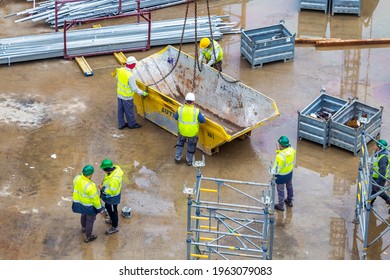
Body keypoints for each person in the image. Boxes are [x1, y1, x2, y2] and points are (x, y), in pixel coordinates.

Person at [72, 165, 104, 243]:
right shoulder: (90, 186)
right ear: (90, 174)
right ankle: (88, 237)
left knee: (83, 215)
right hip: (89, 207)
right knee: (90, 221)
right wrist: (100, 209)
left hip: (80, 203)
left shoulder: (77, 178)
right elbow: (95, 200)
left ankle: (83, 228)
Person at [115, 56, 148, 130]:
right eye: (135, 64)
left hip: (120, 95)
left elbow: (117, 78)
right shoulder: (130, 75)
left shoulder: (120, 70)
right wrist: (143, 93)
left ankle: (121, 124)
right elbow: (134, 88)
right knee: (129, 111)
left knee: (120, 110)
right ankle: (132, 124)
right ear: (132, 65)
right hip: (127, 97)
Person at [174, 92, 206, 166]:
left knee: (180, 144)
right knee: (191, 146)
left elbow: (175, 117)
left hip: (182, 132)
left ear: (185, 100)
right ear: (194, 101)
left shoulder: (180, 109)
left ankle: (177, 158)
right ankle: (189, 161)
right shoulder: (196, 111)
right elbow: (203, 121)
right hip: (192, 134)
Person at [98, 158, 124, 235]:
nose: (103, 171)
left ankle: (115, 226)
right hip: (109, 197)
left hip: (112, 198)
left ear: (107, 169)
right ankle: (112, 220)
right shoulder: (112, 172)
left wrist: (103, 188)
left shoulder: (115, 179)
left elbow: (113, 191)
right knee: (109, 208)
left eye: (104, 170)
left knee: (113, 212)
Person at [272, 136, 296, 212]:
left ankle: (281, 205)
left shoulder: (280, 157)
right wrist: (280, 152)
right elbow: (288, 153)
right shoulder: (292, 150)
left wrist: (279, 153)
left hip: (281, 176)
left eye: (279, 144)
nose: (278, 145)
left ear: (281, 145)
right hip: (289, 173)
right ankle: (289, 200)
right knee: (289, 186)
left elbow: (276, 169)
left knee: (280, 190)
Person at [371, 139, 390, 207]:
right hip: (376, 177)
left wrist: (378, 183)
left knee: (379, 191)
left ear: (378, 147)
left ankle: (389, 200)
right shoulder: (379, 154)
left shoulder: (383, 158)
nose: (374, 145)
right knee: (374, 191)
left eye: (376, 145)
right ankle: (369, 203)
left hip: (380, 178)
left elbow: (382, 172)